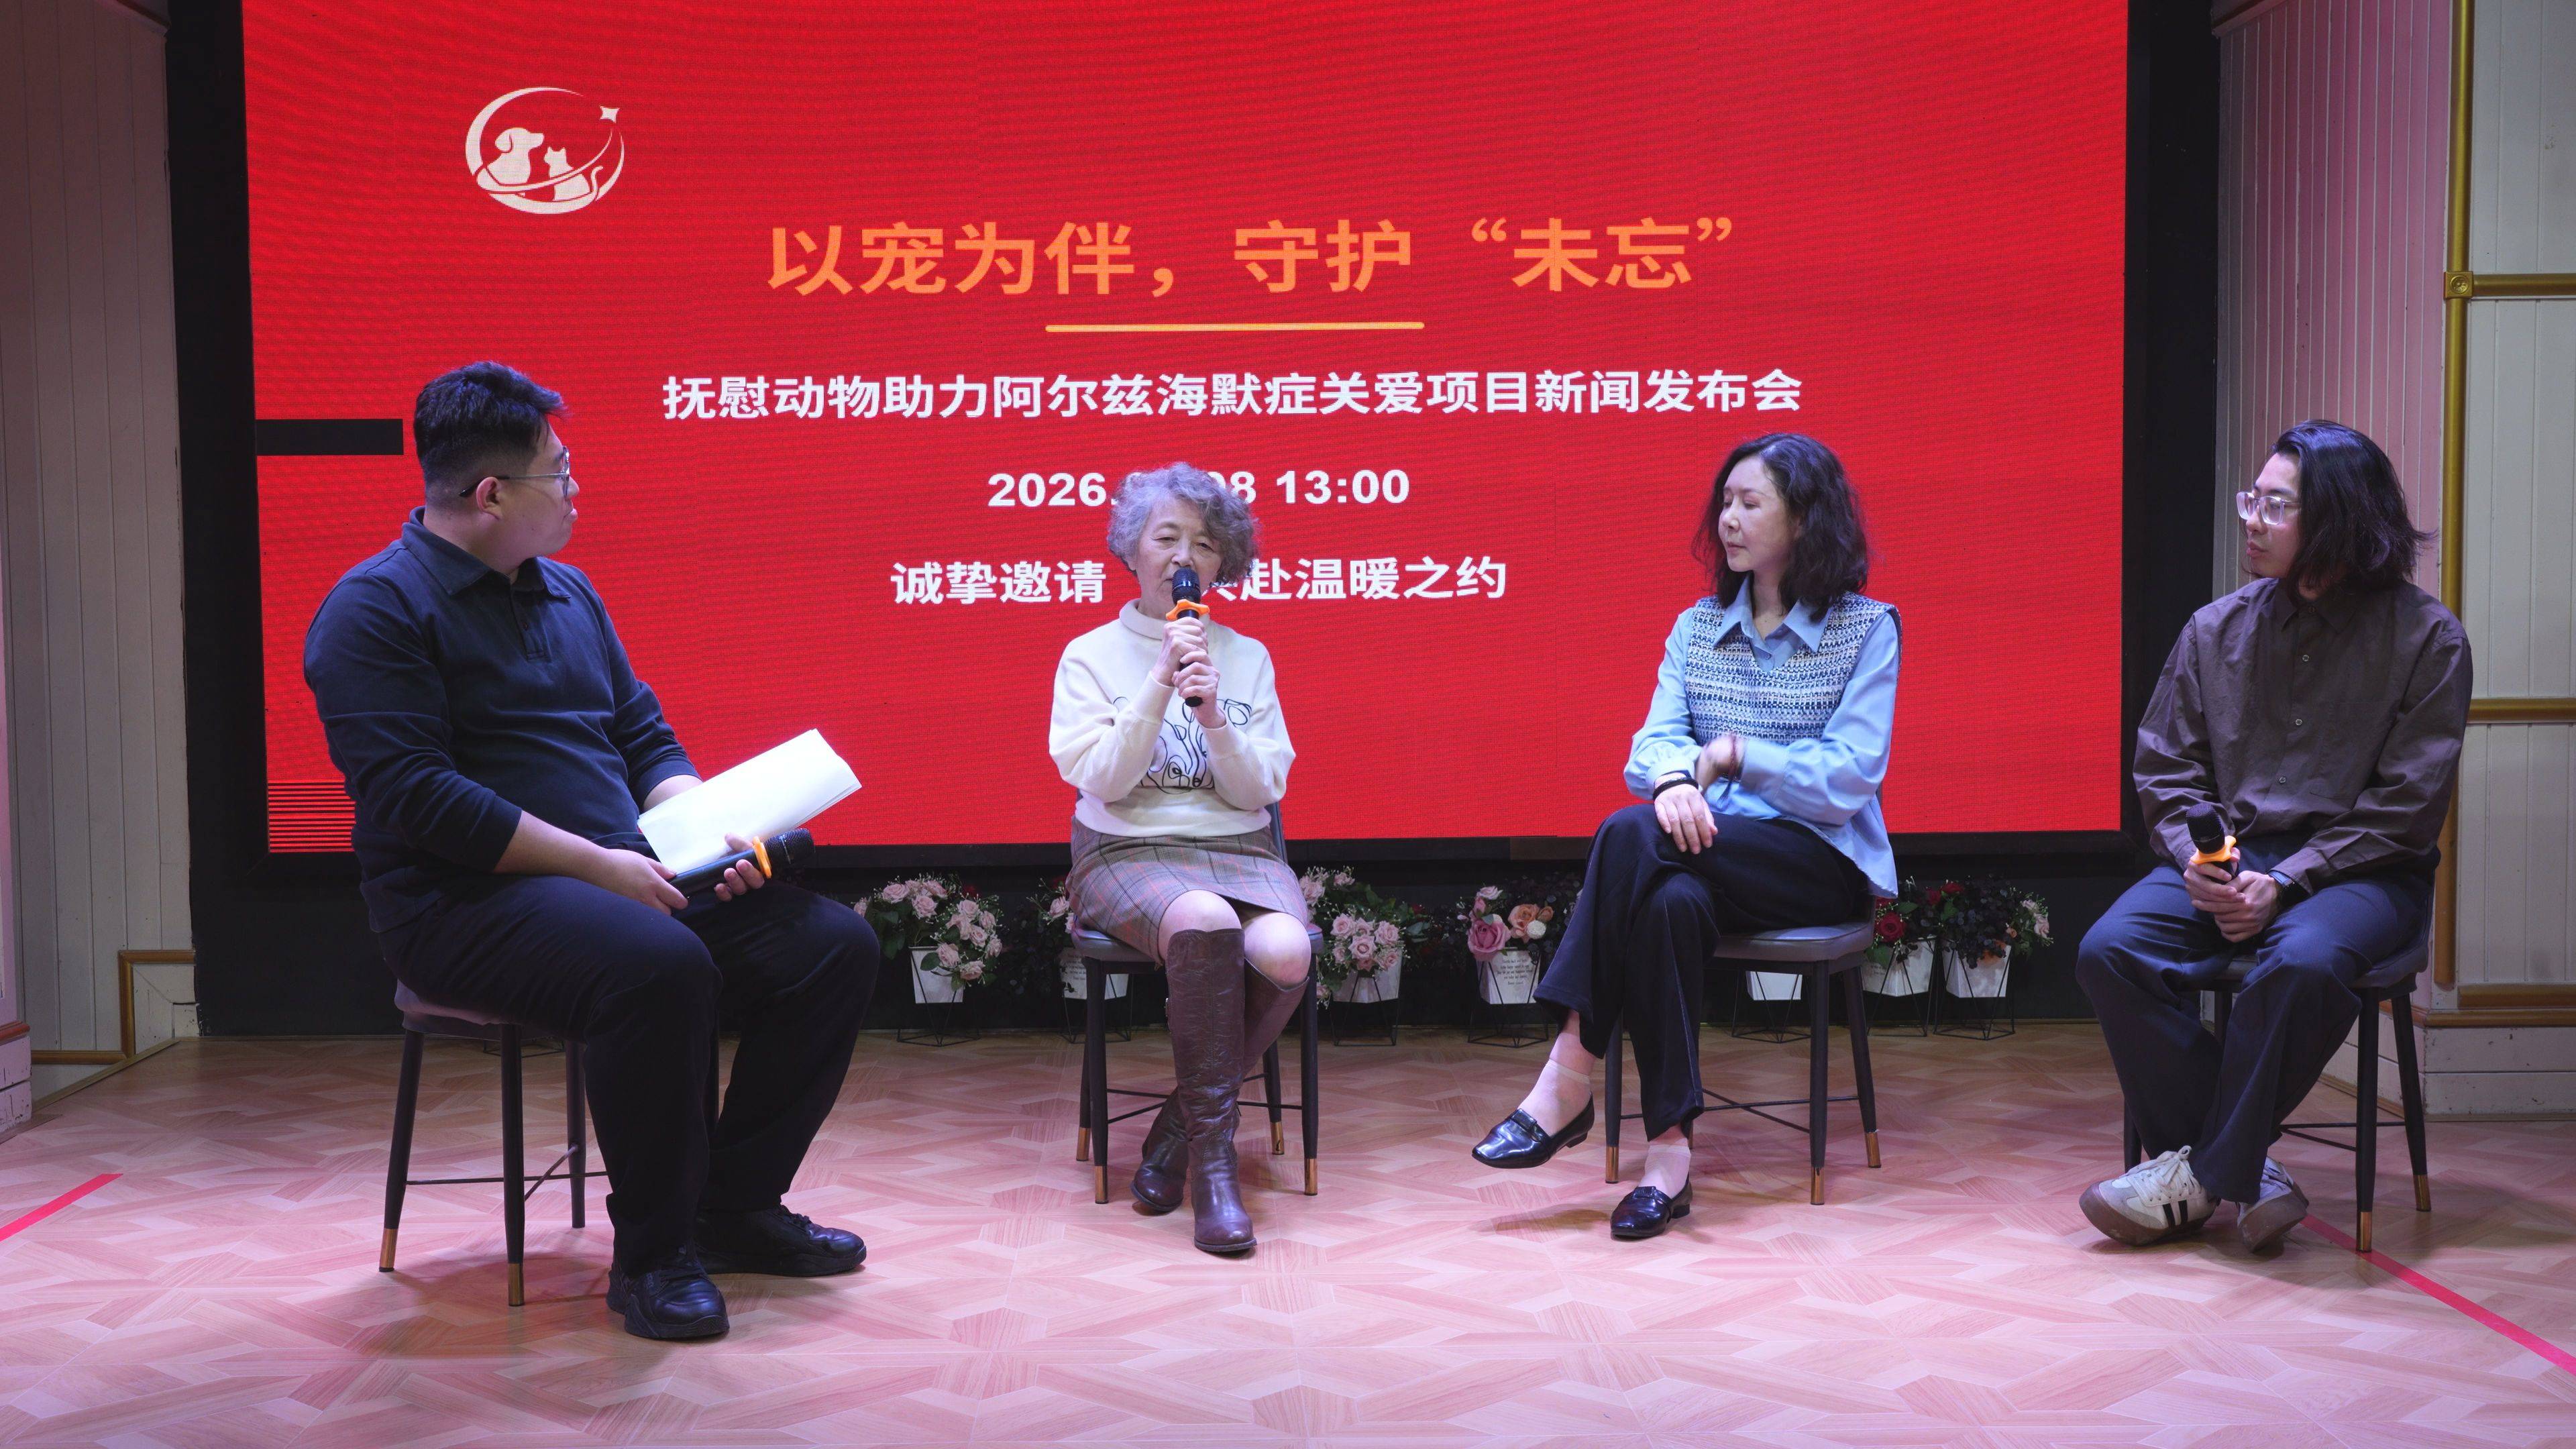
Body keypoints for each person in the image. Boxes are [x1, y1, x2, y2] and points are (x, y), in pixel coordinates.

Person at [304, 362, 879, 1340]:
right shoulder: (375, 611)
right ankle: (654, 1256)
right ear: (492, 494)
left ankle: (734, 1207)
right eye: (560, 473)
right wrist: (599, 865)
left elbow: (642, 735)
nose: (577, 490)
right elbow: (421, 799)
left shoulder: (570, 592)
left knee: (830, 947)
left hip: (621, 877)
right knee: (656, 963)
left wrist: (705, 830)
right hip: (460, 904)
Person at [1472, 433, 1900, 1240]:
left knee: (1627, 833)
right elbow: (1654, 744)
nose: (1728, 519)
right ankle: (1667, 1158)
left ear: (1804, 519)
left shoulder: (1866, 629)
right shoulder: (1697, 628)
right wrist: (1674, 781)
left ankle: (1568, 1074)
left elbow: (1849, 777)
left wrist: (1737, 755)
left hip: (1815, 862)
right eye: (1725, 502)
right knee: (1668, 901)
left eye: (1751, 503)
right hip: (1702, 851)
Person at [2075, 419, 2469, 1254]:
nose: (2251, 520)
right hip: (2234, 857)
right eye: (2251, 499)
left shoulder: (2428, 639)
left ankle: (2196, 1175)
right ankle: (2244, 1168)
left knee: (2303, 961)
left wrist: (2287, 882)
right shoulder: (2216, 628)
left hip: (2365, 873)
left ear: (2340, 519)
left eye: (2275, 506)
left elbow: (2407, 806)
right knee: (2111, 949)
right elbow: (2166, 767)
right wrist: (2200, 861)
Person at [1048, 464, 1311, 1255]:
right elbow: (1101, 778)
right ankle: (1216, 1172)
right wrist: (1160, 680)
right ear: (1133, 548)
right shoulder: (1090, 655)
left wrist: (1215, 714)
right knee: (1202, 919)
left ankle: (1174, 1136)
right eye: (1166, 537)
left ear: (1223, 561)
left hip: (1237, 847)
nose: (1183, 556)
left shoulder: (1246, 655)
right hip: (1125, 848)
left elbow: (1261, 789)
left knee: (1285, 949)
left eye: (1203, 543)